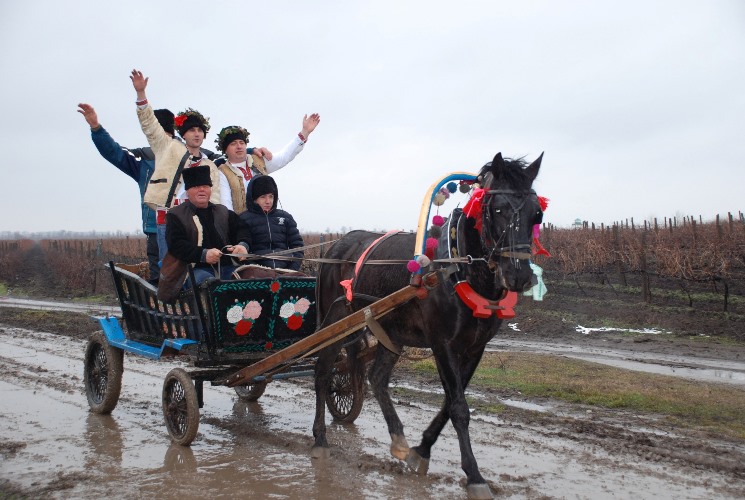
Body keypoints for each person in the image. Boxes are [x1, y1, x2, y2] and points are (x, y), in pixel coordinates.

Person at [77, 102, 177, 285]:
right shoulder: (143, 159)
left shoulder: (191, 156)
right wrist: (96, 128)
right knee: (159, 280)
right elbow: (114, 153)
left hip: (187, 229)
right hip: (155, 228)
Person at [130, 69, 223, 263]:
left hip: (199, 221)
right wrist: (141, 95)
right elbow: (150, 125)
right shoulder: (168, 148)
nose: (196, 134)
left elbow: (214, 199)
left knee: (199, 265)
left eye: (200, 130)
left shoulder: (209, 165)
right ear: (183, 133)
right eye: (191, 130)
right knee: (171, 266)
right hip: (170, 219)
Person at [215, 113, 320, 214]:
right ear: (225, 150)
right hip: (242, 226)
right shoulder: (222, 172)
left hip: (267, 222)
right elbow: (226, 207)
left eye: (242, 143)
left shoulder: (258, 161)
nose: (239, 146)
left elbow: (284, 157)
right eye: (233, 144)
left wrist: (304, 133)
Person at [165, 165, 250, 285]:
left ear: (210, 189)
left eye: (205, 186)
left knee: (250, 278)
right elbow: (176, 245)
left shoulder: (223, 212)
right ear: (187, 191)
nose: (202, 190)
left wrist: (243, 246)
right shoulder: (176, 215)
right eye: (196, 186)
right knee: (210, 284)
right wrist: (203, 255)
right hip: (194, 270)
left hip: (227, 267)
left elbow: (242, 230)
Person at [239, 175, 304, 271]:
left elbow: (298, 246)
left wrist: (292, 269)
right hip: (255, 271)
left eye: (271, 196)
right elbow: (241, 251)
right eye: (263, 197)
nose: (268, 201)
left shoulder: (286, 218)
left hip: (286, 270)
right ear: (254, 199)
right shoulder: (243, 219)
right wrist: (256, 269)